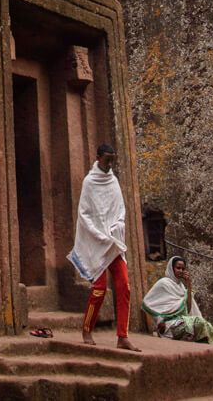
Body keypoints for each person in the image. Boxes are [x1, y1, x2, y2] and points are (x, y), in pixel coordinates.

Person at [68, 143, 140, 351]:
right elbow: (84, 214)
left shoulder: (113, 181)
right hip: (97, 242)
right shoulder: (89, 182)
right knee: (99, 290)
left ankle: (122, 336)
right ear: (98, 158)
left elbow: (120, 209)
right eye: (107, 159)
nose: (110, 164)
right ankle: (87, 328)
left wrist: (117, 226)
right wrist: (99, 234)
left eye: (113, 159)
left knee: (124, 286)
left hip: (113, 242)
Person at [141, 256, 213, 344]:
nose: (180, 270)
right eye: (178, 268)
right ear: (171, 268)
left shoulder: (181, 287)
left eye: (183, 268)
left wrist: (188, 284)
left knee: (208, 327)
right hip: (169, 325)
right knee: (199, 323)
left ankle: (205, 352)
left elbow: (188, 309)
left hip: (182, 320)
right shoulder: (164, 283)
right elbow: (146, 303)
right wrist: (159, 320)